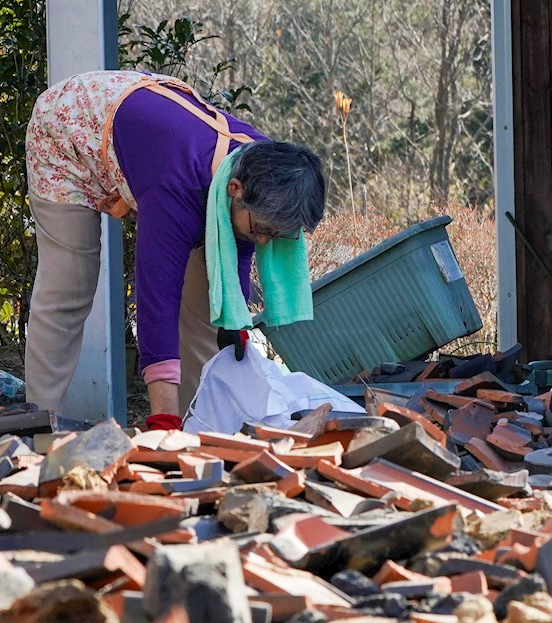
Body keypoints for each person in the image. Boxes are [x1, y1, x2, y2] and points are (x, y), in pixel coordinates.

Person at [24, 70, 326, 429]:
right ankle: (36, 426)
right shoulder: (175, 185)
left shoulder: (269, 166)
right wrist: (161, 419)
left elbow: (234, 261)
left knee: (205, 310)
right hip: (67, 129)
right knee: (70, 285)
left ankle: (202, 429)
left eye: (276, 236)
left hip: (152, 135)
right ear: (234, 189)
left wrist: (236, 326)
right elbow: (156, 299)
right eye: (262, 230)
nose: (265, 242)